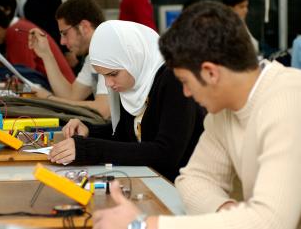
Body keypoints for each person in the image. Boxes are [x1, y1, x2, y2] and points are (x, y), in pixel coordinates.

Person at [92, 1, 301, 229]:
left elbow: (271, 221)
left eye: (185, 81)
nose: (186, 93)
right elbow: (191, 181)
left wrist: (144, 224)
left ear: (210, 72)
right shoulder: (223, 112)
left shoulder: (288, 100)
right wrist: (229, 215)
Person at [48, 20, 204, 182]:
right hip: (150, 180)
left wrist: (87, 149)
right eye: (103, 76)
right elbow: (125, 135)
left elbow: (166, 154)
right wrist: (88, 130)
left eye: (113, 74)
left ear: (133, 58)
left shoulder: (175, 80)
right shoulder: (133, 82)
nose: (108, 83)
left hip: (182, 188)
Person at [28, 0, 110, 119]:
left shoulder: (106, 48)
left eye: (65, 33)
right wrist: (46, 54)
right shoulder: (94, 53)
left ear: (84, 27)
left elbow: (104, 110)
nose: (62, 42)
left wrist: (48, 98)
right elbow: (71, 96)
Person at [0, 6, 75, 83]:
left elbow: (23, 75)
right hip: (58, 84)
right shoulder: (17, 27)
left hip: (62, 89)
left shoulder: (16, 34)